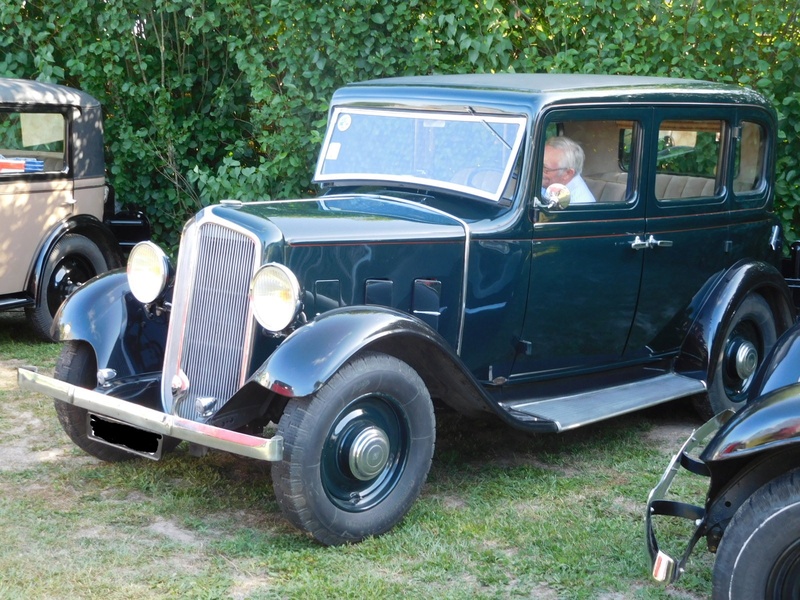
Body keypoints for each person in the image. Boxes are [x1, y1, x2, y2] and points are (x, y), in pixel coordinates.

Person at [542, 136, 596, 204]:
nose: (538, 171)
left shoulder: (576, 205)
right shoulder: (555, 184)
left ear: (567, 173)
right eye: (538, 164)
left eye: (545, 168)